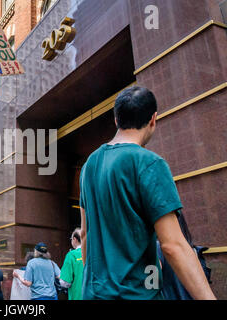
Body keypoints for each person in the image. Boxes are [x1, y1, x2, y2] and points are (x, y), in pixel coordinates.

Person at [79, 86, 216, 300]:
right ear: (153, 119)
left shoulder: (89, 165)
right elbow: (173, 246)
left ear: (116, 119)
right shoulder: (149, 163)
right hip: (135, 295)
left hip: (93, 294)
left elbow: (85, 234)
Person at [59, 228, 84, 300]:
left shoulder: (71, 255)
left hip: (77, 296)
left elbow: (65, 282)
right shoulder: (93, 253)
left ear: (74, 239)